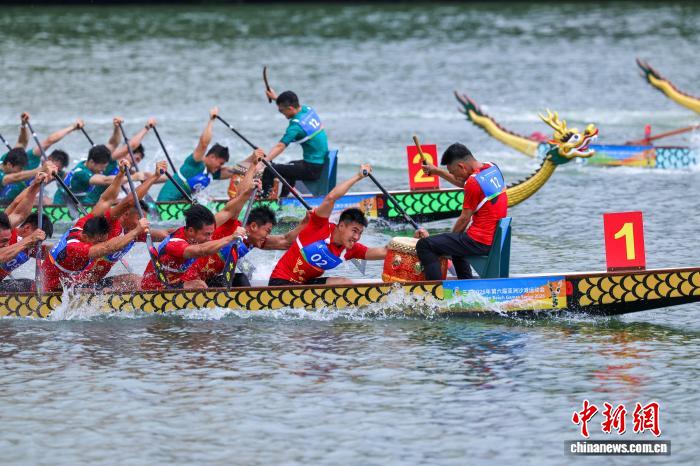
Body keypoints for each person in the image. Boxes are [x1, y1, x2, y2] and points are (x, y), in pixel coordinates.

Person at [268, 164, 387, 286]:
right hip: (280, 281)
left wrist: (397, 247)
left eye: (360, 233)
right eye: (354, 231)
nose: (356, 237)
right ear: (341, 226)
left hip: (304, 284)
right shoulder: (319, 225)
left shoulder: (349, 248)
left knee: (344, 283)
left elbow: (382, 252)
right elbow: (331, 198)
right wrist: (358, 176)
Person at [41, 163, 151, 292]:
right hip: (53, 289)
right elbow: (109, 247)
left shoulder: (83, 223)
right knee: (97, 292)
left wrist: (120, 174)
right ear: (85, 237)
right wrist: (136, 231)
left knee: (135, 280)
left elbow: (106, 199)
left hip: (73, 281)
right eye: (98, 241)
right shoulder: (75, 248)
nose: (100, 243)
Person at [72, 160, 171, 291]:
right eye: (139, 219)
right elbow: (129, 202)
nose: (142, 223)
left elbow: (165, 234)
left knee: (136, 280)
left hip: (95, 283)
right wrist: (155, 176)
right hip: (75, 283)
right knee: (109, 291)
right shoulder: (110, 223)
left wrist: (192, 232)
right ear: (126, 214)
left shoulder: (134, 232)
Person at [417, 143, 508, 280]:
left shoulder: (473, 182)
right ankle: (465, 281)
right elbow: (466, 183)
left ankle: (436, 288)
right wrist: (437, 171)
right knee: (456, 243)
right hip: (494, 238)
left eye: (453, 173)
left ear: (461, 166)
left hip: (480, 242)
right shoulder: (492, 167)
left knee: (424, 245)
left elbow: (464, 219)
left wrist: (447, 242)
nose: (455, 176)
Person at [140, 204, 247, 290]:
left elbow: (228, 211)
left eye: (211, 234)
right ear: (191, 231)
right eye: (207, 234)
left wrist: (248, 190)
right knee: (200, 285)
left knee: (240, 279)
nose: (210, 238)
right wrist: (231, 237)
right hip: (156, 289)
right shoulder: (175, 244)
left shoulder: (193, 232)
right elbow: (202, 250)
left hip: (176, 283)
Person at [157, 107, 242, 202]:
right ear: (212, 157)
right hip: (165, 203)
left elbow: (237, 169)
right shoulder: (195, 162)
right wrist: (211, 120)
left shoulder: (211, 173)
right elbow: (203, 143)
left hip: (181, 204)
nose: (220, 167)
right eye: (220, 163)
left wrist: (253, 160)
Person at [257, 88, 329, 197]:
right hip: (319, 163)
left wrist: (264, 162)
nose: (282, 113)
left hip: (312, 169)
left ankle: (265, 200)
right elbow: (290, 103)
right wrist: (276, 98)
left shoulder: (296, 126)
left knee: (269, 169)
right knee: (290, 166)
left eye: (281, 111)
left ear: (290, 108)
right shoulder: (307, 110)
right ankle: (283, 198)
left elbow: (280, 146)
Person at [0, 113, 78, 201]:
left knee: (46, 200)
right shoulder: (6, 165)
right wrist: (41, 169)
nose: (22, 169)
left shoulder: (24, 157)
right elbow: (16, 177)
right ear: (9, 165)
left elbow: (23, 142)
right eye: (20, 168)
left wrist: (23, 125)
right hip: (4, 202)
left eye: (57, 168)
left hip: (20, 199)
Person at [0, 172, 54, 292]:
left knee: (32, 284)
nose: (6, 244)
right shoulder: (21, 238)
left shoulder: (9, 231)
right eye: (3, 241)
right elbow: (2, 255)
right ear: (27, 228)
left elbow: (20, 213)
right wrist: (29, 239)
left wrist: (36, 185)